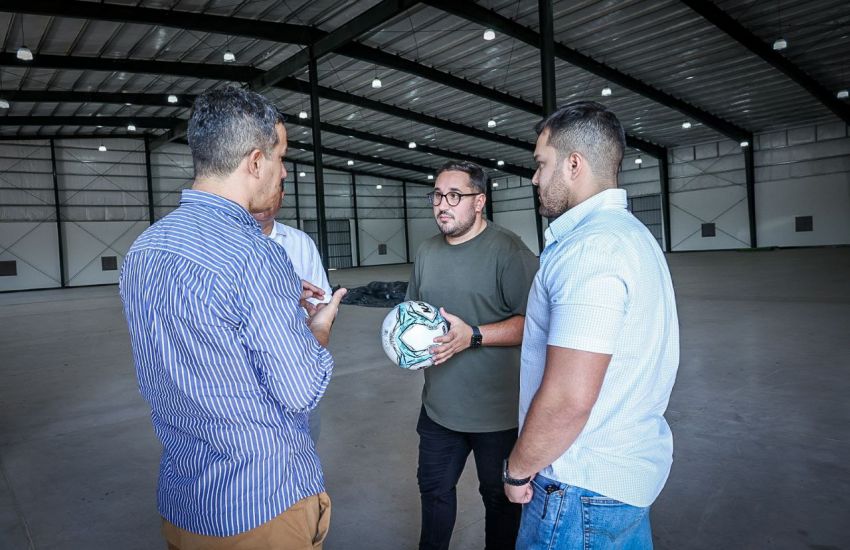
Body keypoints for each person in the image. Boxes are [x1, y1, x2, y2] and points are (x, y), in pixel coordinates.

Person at [119, 86, 346, 550]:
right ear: (256, 162)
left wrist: (272, 301)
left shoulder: (144, 250)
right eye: (282, 157)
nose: (285, 171)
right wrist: (317, 329)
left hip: (185, 499)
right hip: (262, 504)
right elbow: (301, 390)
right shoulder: (256, 256)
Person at [503, 101, 679, 549]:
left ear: (573, 164)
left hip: (577, 490)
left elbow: (569, 398)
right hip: (620, 483)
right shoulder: (633, 236)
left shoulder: (590, 250)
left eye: (541, 164)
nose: (535, 178)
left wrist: (517, 469)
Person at [405, 160, 539, 550]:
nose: (441, 205)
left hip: (497, 415)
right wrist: (407, 346)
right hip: (439, 409)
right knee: (434, 492)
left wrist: (474, 336)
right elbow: (413, 313)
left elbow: (534, 324)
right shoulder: (427, 251)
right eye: (437, 196)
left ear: (479, 201)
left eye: (454, 196)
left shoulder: (509, 250)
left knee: (499, 502)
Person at [252, 191, 332, 443]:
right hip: (243, 379)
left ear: (282, 195)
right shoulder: (224, 245)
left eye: (271, 190)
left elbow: (321, 300)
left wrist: (320, 320)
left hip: (297, 370)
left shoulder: (299, 242)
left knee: (303, 443)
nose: (264, 199)